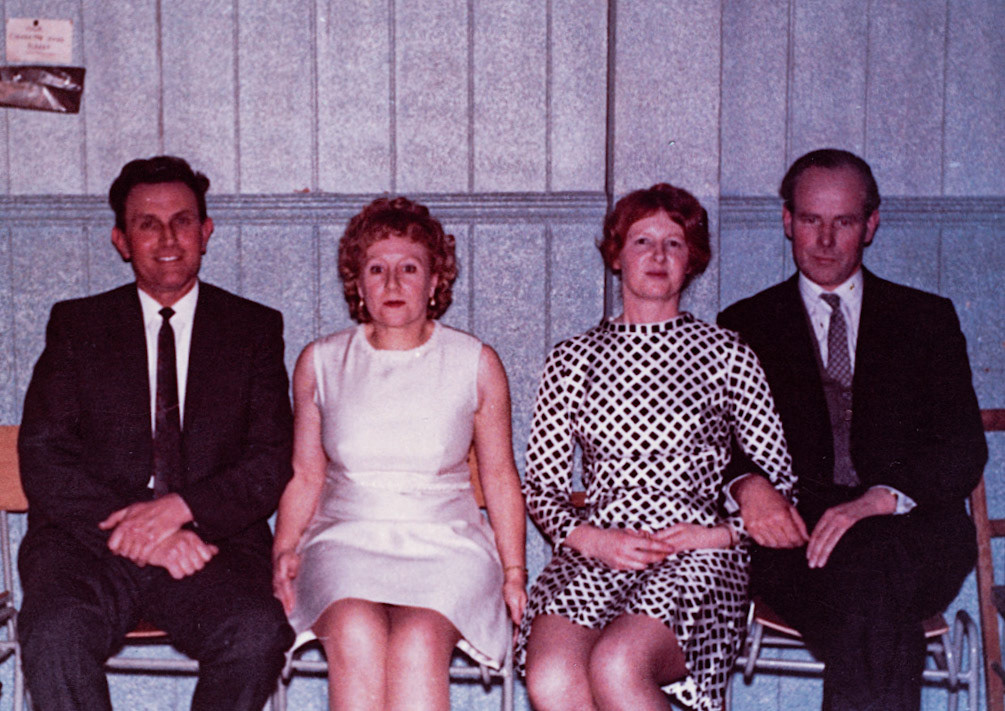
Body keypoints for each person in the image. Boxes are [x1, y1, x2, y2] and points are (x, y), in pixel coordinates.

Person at [16, 155, 295, 710]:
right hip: (88, 544)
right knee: (54, 633)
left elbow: (269, 460)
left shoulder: (252, 329)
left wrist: (180, 511)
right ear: (121, 241)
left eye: (182, 221)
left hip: (210, 544)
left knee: (255, 632)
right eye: (148, 224)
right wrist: (147, 530)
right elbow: (44, 454)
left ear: (205, 232)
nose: (168, 238)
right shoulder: (77, 326)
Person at [717, 148, 987, 711]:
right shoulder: (745, 325)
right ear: (787, 221)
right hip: (796, 538)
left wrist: (880, 499)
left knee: (869, 575)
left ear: (871, 224)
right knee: (874, 598)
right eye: (810, 220)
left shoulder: (925, 319)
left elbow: (962, 446)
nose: (824, 240)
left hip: (912, 529)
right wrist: (746, 484)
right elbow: (714, 441)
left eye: (842, 222)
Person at [519, 183, 795, 711]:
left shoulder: (727, 353)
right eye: (642, 241)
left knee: (618, 665)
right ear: (616, 255)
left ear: (692, 261)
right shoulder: (572, 359)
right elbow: (543, 489)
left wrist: (718, 535)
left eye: (674, 243)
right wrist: (594, 541)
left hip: (696, 554)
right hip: (599, 550)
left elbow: (780, 484)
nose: (658, 255)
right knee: (552, 677)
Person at [271, 196, 526, 711]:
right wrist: (283, 550)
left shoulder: (475, 363)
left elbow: (500, 477)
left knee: (418, 642)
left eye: (409, 268)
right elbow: (305, 476)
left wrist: (515, 572)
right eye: (376, 269)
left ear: (434, 282)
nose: (392, 283)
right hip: (344, 540)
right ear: (357, 284)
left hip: (447, 545)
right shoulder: (320, 363)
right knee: (356, 630)